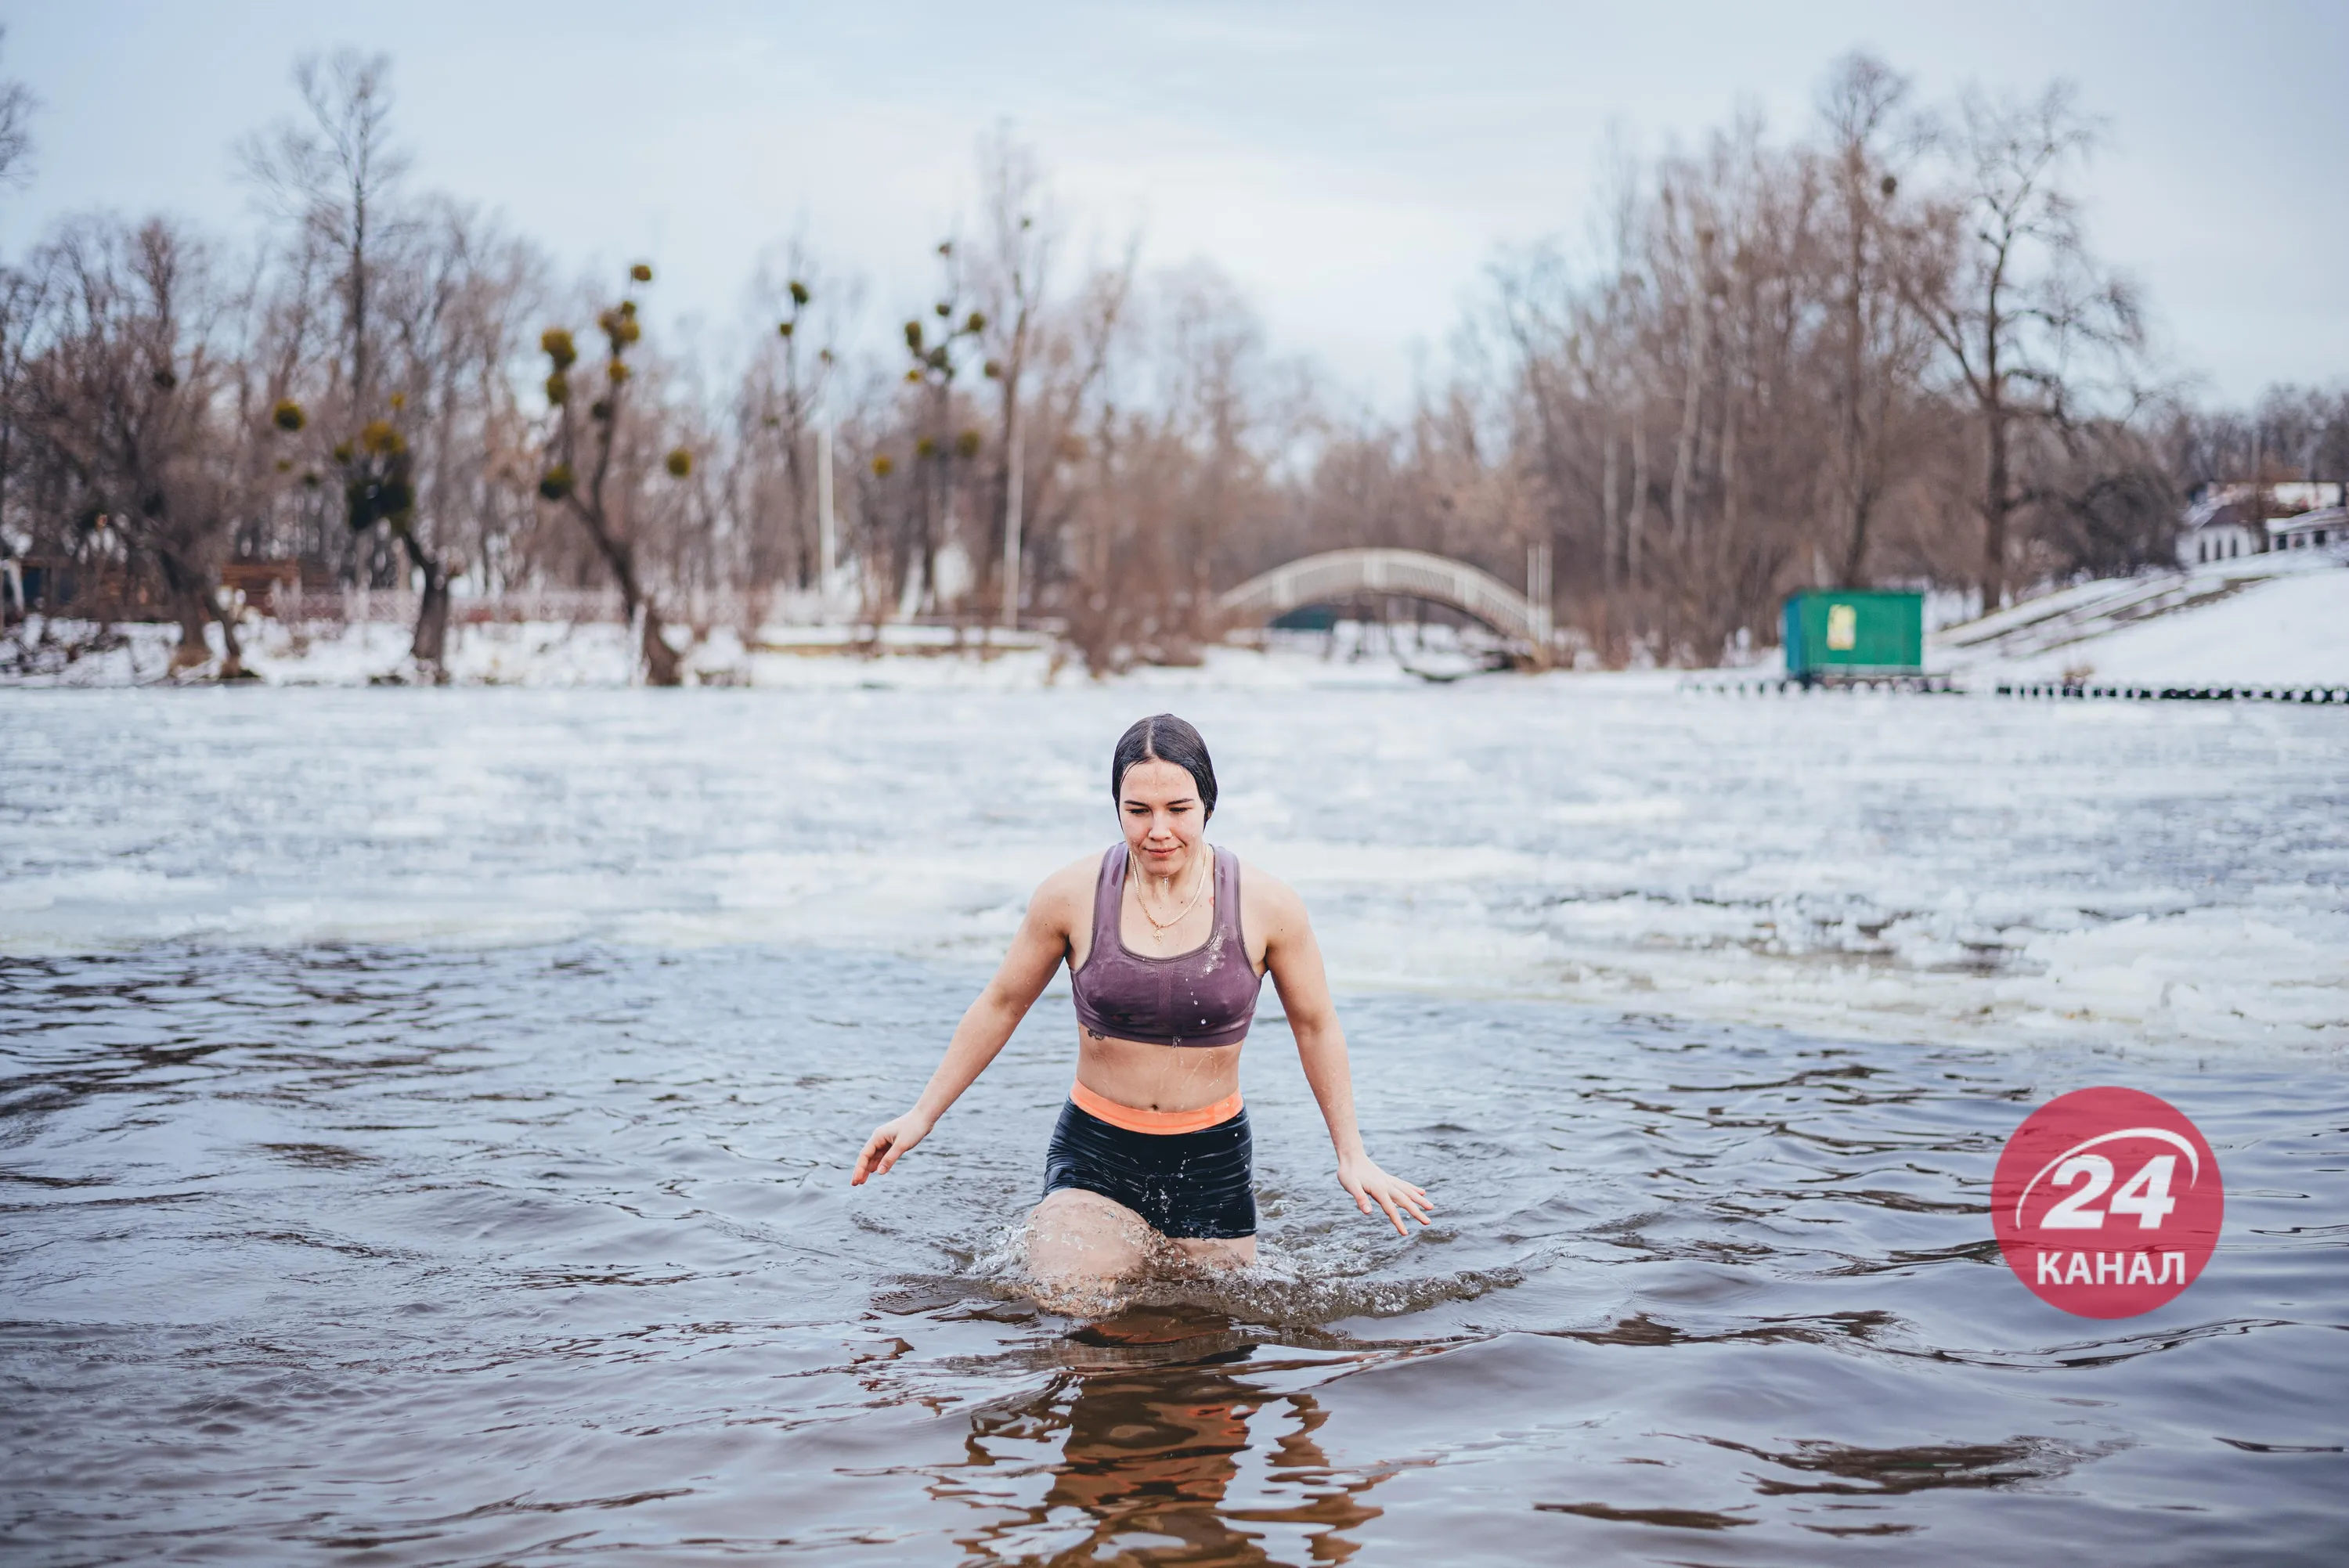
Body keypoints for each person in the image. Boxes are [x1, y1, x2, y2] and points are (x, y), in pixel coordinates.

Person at [851, 713, 1432, 1303]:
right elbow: (1000, 1005)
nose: (1159, 830)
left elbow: (1316, 1026)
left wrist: (1352, 1153)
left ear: (1208, 805)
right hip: (1097, 1149)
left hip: (1211, 1159)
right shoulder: (1070, 896)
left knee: (1205, 1336)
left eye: (1178, 809)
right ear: (1117, 808)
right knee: (1074, 1309)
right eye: (1138, 811)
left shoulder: (1268, 905)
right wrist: (921, 1114)